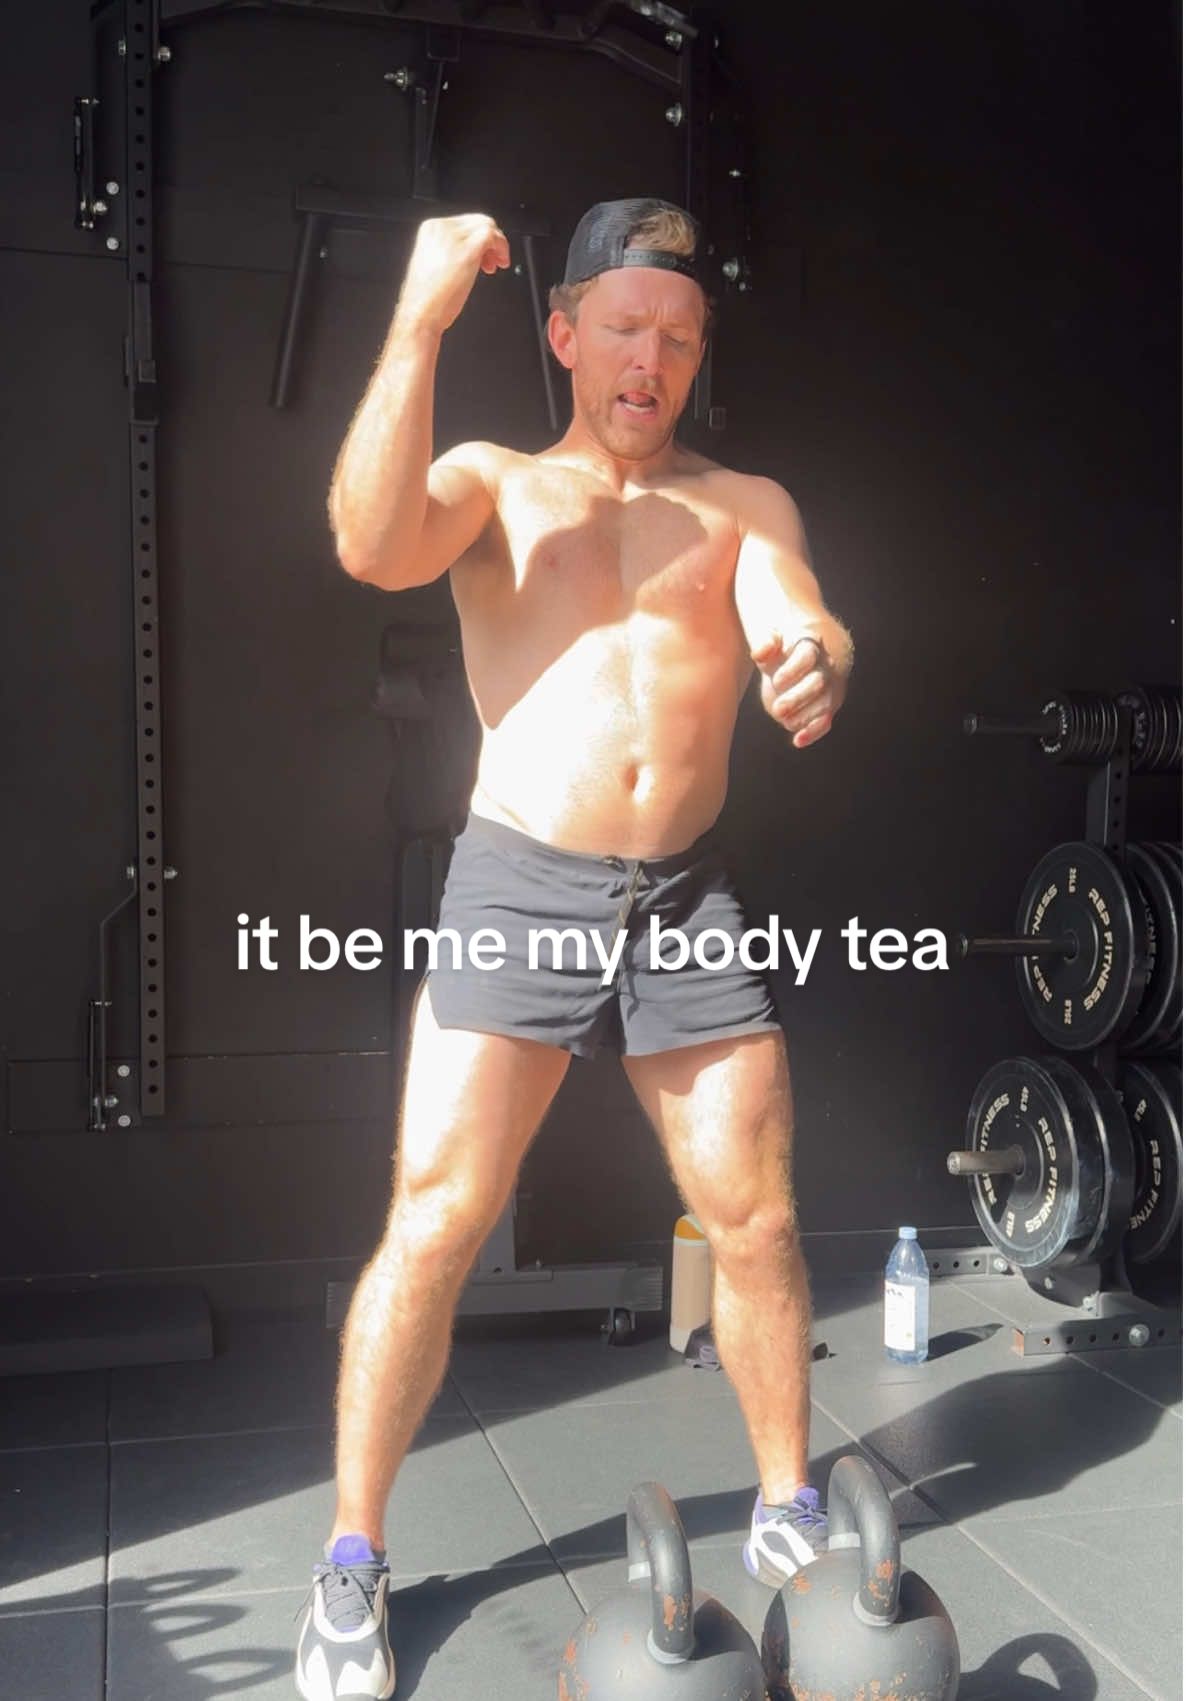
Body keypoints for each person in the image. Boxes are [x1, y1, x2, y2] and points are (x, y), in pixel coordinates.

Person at [296, 197, 854, 1701]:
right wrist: (418, 317)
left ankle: (788, 1507)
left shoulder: (744, 504)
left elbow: (804, 615)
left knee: (756, 1221)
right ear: (562, 334)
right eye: (622, 328)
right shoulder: (495, 482)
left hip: (684, 895)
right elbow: (367, 542)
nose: (647, 359)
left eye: (676, 335)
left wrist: (815, 659)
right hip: (520, 880)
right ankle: (351, 1556)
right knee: (434, 1218)